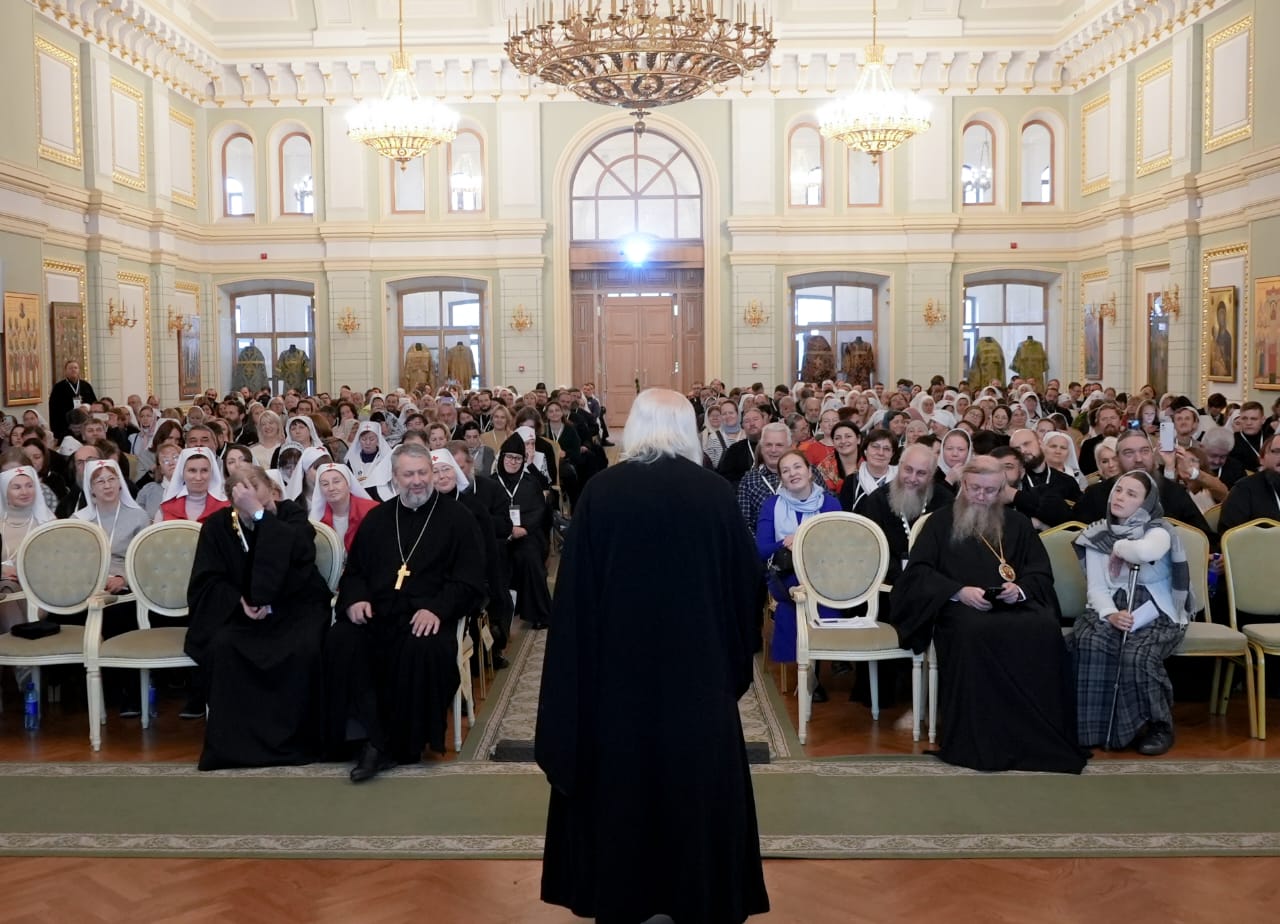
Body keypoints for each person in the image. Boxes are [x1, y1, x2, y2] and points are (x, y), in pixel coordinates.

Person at [536, 388, 769, 923]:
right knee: (695, 784)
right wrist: (727, 659)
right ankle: (697, 896)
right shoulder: (713, 492)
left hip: (617, 677)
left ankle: (625, 896)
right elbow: (745, 586)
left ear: (636, 427)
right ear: (688, 429)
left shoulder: (602, 491)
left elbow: (575, 596)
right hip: (698, 674)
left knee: (623, 782)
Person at [890, 457, 1088, 773]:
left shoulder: (1018, 524)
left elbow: (1039, 572)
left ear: (1002, 490)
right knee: (974, 630)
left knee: (1043, 626)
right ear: (963, 484)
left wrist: (1019, 589)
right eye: (975, 489)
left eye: (991, 491)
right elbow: (918, 575)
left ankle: (1031, 738)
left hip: (1013, 606)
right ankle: (981, 738)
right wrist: (958, 592)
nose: (982, 496)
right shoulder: (939, 523)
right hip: (960, 610)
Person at [325, 443, 486, 782]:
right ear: (395, 478)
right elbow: (355, 572)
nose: (417, 481)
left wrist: (437, 609)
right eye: (409, 474)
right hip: (379, 613)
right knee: (343, 638)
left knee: (421, 648)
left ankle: (397, 744)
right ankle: (362, 735)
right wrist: (356, 599)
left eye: (423, 473)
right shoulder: (378, 519)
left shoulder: (459, 519)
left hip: (427, 616)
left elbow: (470, 580)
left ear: (432, 473)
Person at [186, 465, 332, 770]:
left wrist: (260, 515)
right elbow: (208, 579)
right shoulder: (218, 525)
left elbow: (300, 553)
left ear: (271, 488)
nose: (249, 492)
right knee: (225, 646)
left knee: (305, 648)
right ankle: (236, 747)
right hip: (244, 614)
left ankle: (297, 743)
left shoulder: (291, 515)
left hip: (294, 609)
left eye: (254, 484)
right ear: (231, 498)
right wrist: (237, 600)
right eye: (240, 488)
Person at [1073, 471, 1194, 755]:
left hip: (1157, 611)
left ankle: (1158, 725)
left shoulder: (1159, 530)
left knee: (1137, 654)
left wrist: (1117, 546)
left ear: (1145, 503)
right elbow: (1097, 588)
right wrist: (1110, 614)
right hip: (1113, 607)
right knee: (1092, 642)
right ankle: (1095, 727)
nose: (1120, 497)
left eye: (1131, 494)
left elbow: (1143, 553)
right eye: (1118, 490)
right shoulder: (1097, 534)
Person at [756, 448, 842, 668]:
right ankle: (819, 662)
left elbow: (838, 547)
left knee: (821, 587)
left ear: (810, 472)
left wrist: (805, 541)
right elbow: (761, 550)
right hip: (785, 575)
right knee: (802, 588)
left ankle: (819, 662)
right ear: (782, 479)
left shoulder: (830, 503)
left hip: (824, 574)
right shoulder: (772, 505)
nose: (792, 473)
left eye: (797, 467)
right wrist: (785, 542)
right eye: (785, 471)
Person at [496, 432, 553, 630]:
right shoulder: (491, 482)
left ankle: (539, 613)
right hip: (500, 535)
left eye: (518, 458)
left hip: (528, 534)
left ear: (523, 460)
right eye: (509, 457)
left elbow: (539, 510)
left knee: (528, 557)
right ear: (502, 457)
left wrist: (524, 529)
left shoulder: (531, 482)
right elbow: (487, 514)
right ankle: (500, 615)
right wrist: (507, 530)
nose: (513, 462)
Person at [0, 466, 54, 635]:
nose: (25, 492)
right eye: (17, 487)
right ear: (5, 491)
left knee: (7, 588)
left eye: (29, 486)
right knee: (6, 586)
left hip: (38, 589)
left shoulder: (48, 523)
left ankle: (11, 647)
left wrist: (23, 571)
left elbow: (57, 565)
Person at [310, 462, 378, 552]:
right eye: (325, 484)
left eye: (336, 482)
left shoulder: (373, 511)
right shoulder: (317, 520)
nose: (331, 488)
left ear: (348, 483)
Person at [158, 447, 230, 523]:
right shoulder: (166, 508)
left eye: (204, 470)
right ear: (182, 473)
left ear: (212, 473)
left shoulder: (226, 508)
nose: (198, 477)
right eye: (192, 470)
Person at [344, 421, 396, 500]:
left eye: (371, 439)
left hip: (381, 499)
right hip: (359, 499)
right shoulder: (352, 460)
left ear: (378, 440)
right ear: (359, 440)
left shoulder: (386, 459)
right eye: (364, 439)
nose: (367, 443)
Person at [48, 360, 98, 442]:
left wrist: (86, 407)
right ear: (65, 371)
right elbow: (54, 409)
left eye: (75, 368)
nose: (73, 370)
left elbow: (94, 404)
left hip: (85, 424)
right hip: (65, 426)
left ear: (79, 370)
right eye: (70, 368)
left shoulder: (86, 386)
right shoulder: (58, 387)